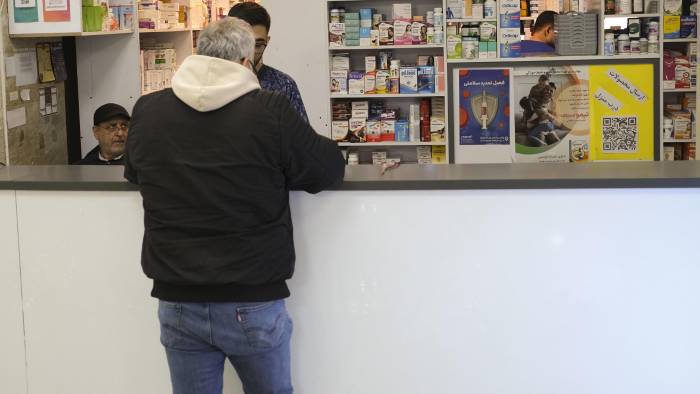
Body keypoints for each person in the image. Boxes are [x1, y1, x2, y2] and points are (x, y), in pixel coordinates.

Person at [124, 17, 345, 394]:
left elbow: (134, 172)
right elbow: (327, 169)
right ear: (246, 64)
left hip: (177, 299)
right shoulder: (269, 111)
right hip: (252, 297)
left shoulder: (148, 111)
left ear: (197, 55)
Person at [228, 2, 309, 122]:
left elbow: (302, 138)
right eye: (243, 43)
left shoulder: (284, 86)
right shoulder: (213, 84)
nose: (250, 53)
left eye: (258, 44)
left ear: (267, 40)